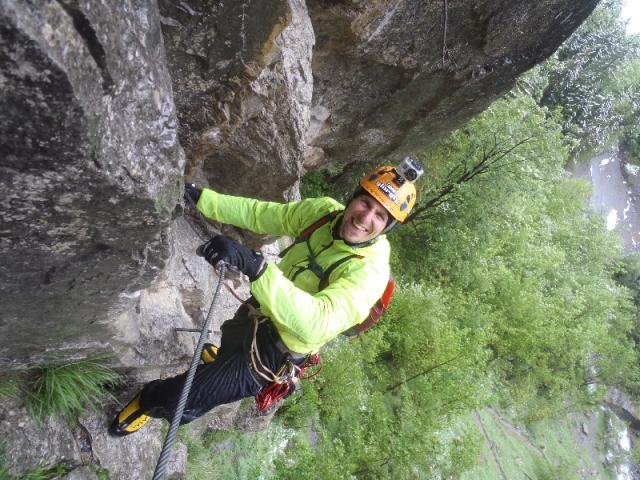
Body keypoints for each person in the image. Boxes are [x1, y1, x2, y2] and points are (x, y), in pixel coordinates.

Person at [109, 159, 423, 436]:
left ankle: (147, 401)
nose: (365, 218)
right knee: (227, 345)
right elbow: (264, 215)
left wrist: (257, 268)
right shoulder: (324, 213)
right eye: (365, 204)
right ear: (353, 197)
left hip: (273, 354)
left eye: (380, 216)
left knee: (184, 400)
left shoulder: (369, 274)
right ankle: (215, 361)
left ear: (386, 228)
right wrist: (203, 199)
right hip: (256, 312)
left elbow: (317, 323)